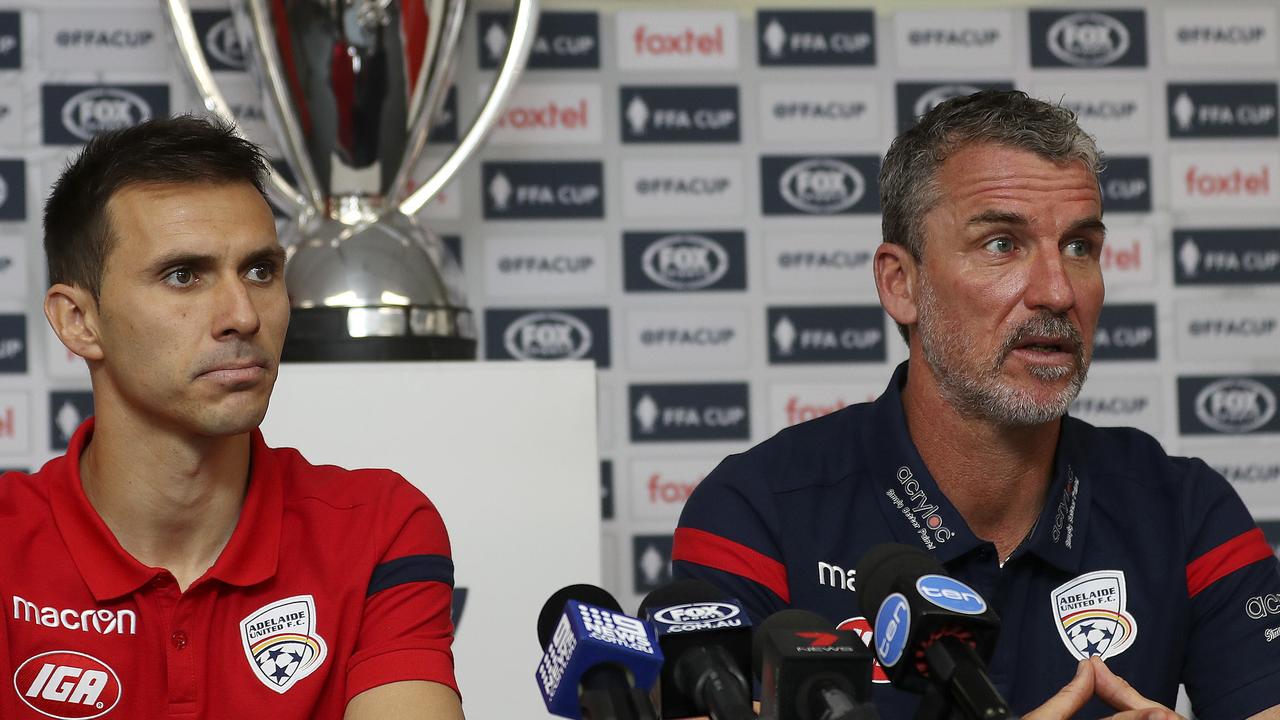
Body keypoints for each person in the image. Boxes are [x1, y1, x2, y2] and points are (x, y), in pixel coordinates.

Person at [672, 90, 1280, 719]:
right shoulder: (757, 511)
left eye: (1079, 247)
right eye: (1001, 244)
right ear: (900, 284)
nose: (1055, 291)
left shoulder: (1184, 511)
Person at [0, 116, 463, 719]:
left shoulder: (378, 528)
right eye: (184, 275)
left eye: (260, 270)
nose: (242, 315)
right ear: (79, 322)